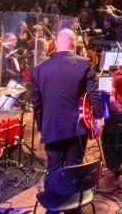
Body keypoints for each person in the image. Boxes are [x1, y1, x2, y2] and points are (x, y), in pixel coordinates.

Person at [31, 29, 103, 205]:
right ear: (74, 43)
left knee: (54, 169)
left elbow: (37, 104)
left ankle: (54, 206)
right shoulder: (84, 63)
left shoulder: (39, 69)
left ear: (55, 43)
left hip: (51, 127)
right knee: (74, 168)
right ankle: (73, 207)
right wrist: (99, 119)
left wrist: (41, 128)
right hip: (76, 128)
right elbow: (94, 95)